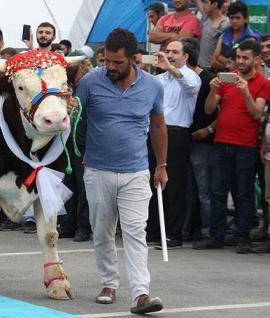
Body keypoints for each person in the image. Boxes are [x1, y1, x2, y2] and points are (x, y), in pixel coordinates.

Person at [77, 28, 166, 314]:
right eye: (106, 61)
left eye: (117, 62)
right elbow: (74, 115)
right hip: (97, 170)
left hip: (137, 172)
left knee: (135, 232)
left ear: (134, 58)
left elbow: (158, 126)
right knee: (102, 232)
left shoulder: (153, 86)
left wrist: (161, 166)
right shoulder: (90, 82)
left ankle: (141, 294)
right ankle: (108, 284)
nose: (110, 67)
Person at [194, 40, 270, 253]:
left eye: (246, 58)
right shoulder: (227, 79)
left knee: (243, 193)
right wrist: (212, 91)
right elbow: (209, 110)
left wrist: (246, 92)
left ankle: (242, 236)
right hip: (221, 143)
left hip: (246, 146)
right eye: (239, 58)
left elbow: (256, 113)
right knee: (217, 191)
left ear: (256, 59)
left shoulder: (263, 82)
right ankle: (217, 236)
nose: (241, 62)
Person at [148, 40, 201, 249]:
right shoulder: (158, 79)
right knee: (152, 183)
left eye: (175, 52)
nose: (169, 55)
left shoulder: (191, 76)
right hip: (154, 132)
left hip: (177, 134)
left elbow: (187, 83)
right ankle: (153, 230)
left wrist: (170, 67)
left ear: (185, 56)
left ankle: (174, 233)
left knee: (175, 185)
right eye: (167, 51)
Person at [180, 37, 217, 241]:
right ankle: (189, 228)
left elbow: (221, 110)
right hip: (185, 139)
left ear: (187, 57)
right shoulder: (177, 78)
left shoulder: (210, 79)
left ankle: (208, 231)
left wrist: (209, 129)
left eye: (176, 53)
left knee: (204, 190)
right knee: (188, 190)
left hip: (203, 142)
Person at [211, 1, 260, 71]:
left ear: (245, 18)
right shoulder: (224, 34)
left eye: (238, 18)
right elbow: (214, 61)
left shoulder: (252, 38)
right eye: (232, 18)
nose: (234, 21)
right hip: (223, 77)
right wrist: (230, 66)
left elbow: (252, 66)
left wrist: (221, 58)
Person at [195, 0, 230, 70]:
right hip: (200, 67)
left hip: (213, 69)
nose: (203, 5)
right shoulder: (205, 17)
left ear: (214, 4)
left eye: (206, 2)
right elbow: (197, 1)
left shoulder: (225, 24)